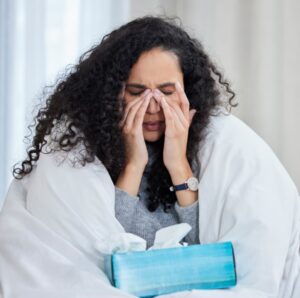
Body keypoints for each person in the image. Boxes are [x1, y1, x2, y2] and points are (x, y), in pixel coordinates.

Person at [0, 16, 299, 298]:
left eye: (167, 92)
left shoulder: (210, 150)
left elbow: (202, 251)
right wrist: (133, 164)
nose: (154, 106)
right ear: (112, 94)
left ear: (188, 93)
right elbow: (107, 250)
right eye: (137, 91)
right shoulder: (86, 157)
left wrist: (178, 165)